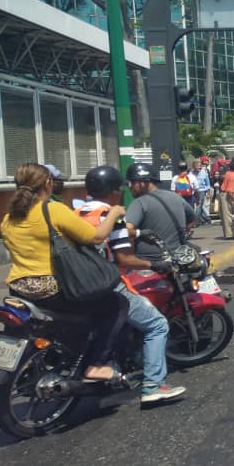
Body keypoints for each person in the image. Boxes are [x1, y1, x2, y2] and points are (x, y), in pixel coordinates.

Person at [2, 163, 127, 383]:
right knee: (116, 305)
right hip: (50, 290)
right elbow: (96, 237)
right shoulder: (52, 210)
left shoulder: (7, 219)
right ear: (48, 184)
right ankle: (96, 364)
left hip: (18, 291)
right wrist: (114, 212)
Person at [75, 165, 186, 405]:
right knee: (156, 324)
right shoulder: (111, 215)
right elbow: (124, 259)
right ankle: (153, 385)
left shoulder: (78, 212)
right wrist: (153, 264)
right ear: (116, 191)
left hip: (78, 285)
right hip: (107, 284)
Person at [124, 163, 196, 262]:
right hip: (180, 257)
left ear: (142, 183)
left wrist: (139, 233)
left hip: (151, 260)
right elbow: (192, 219)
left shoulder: (139, 202)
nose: (130, 188)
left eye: (131, 183)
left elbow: (127, 231)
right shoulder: (176, 197)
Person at [193, 160, 212, 224]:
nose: (198, 167)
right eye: (197, 165)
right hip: (194, 191)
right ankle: (207, 219)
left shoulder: (204, 173)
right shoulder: (191, 173)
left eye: (199, 165)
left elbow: (208, 184)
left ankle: (195, 221)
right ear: (194, 166)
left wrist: (208, 193)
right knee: (200, 207)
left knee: (198, 206)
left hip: (201, 191)